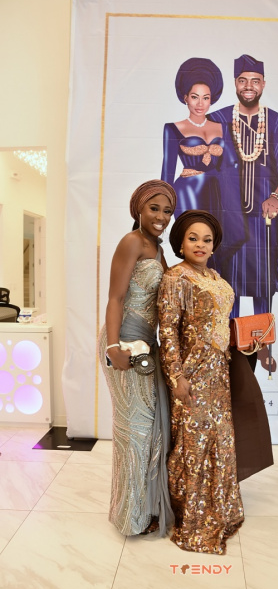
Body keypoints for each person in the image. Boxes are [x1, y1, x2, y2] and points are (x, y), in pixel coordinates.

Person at [157, 210, 244, 554]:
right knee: (192, 445)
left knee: (220, 440)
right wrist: (176, 376)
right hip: (191, 373)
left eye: (207, 240)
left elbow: (220, 322)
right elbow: (167, 330)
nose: (200, 244)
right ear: (180, 242)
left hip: (219, 371)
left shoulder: (214, 276)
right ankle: (192, 517)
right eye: (193, 238)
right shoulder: (176, 277)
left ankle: (219, 510)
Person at [98, 179, 176, 537]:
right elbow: (115, 298)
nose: (161, 216)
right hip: (124, 344)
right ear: (139, 210)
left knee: (149, 431)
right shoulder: (132, 241)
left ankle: (143, 510)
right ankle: (129, 518)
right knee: (134, 432)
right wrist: (113, 348)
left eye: (167, 211)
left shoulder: (157, 249)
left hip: (146, 346)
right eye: (154, 208)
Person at [208, 54, 278, 319]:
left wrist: (277, 196)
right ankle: (229, 339)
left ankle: (262, 340)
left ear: (263, 84)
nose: (248, 86)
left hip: (265, 219)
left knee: (263, 285)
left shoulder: (276, 122)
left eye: (255, 80)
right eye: (243, 80)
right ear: (235, 83)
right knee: (226, 287)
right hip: (227, 217)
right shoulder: (216, 120)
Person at [161, 57, 246, 274]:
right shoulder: (173, 128)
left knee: (220, 246)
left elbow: (231, 166)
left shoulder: (224, 127)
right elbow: (166, 173)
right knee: (195, 246)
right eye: (195, 97)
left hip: (219, 194)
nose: (200, 104)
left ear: (211, 99)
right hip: (189, 193)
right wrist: (163, 211)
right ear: (185, 98)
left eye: (205, 98)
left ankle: (217, 291)